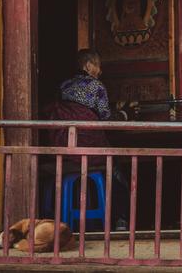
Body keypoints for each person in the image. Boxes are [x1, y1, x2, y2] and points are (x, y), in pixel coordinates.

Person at [45, 49, 136, 231]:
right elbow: (106, 119)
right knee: (117, 170)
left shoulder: (63, 85)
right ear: (88, 66)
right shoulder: (97, 86)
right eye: (97, 65)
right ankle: (121, 220)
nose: (100, 70)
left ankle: (51, 219)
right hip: (90, 152)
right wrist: (126, 113)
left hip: (66, 152)